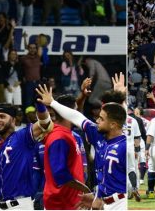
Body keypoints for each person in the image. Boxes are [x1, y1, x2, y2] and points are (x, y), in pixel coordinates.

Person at [36, 73, 127, 210]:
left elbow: (120, 117)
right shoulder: (97, 135)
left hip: (120, 202)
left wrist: (120, 99)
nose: (96, 121)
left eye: (101, 119)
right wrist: (52, 103)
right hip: (100, 201)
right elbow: (77, 116)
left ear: (113, 124)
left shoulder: (125, 143)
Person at [38, 90, 91, 210]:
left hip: (71, 201)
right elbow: (60, 175)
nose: (78, 113)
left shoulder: (66, 134)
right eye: (76, 110)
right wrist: (85, 189)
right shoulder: (59, 137)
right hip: (61, 203)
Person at [126, 112, 141, 202]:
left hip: (118, 146)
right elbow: (137, 138)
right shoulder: (133, 120)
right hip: (130, 147)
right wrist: (137, 150)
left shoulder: (115, 117)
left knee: (121, 170)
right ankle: (134, 188)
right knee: (131, 169)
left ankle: (128, 191)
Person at [21, 43, 41, 108]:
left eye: (34, 48)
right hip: (29, 83)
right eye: (31, 48)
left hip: (38, 82)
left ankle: (39, 117)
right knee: (28, 102)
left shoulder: (38, 57)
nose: (32, 49)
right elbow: (19, 70)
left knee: (39, 101)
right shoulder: (24, 58)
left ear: (36, 49)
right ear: (28, 49)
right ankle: (28, 117)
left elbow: (40, 47)